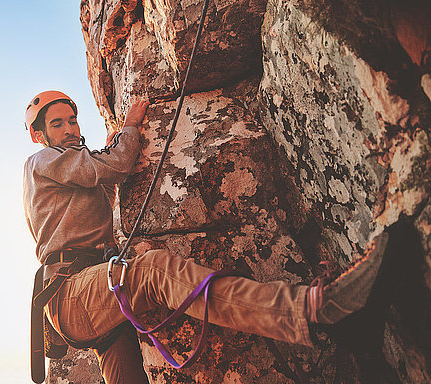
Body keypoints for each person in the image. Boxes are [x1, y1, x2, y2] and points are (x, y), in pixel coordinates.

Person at [22, 90, 388, 383]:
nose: (70, 129)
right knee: (151, 271)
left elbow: (108, 185)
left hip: (88, 297)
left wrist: (113, 145)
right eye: (58, 125)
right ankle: (311, 312)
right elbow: (115, 166)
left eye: (72, 121)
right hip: (73, 293)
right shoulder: (41, 161)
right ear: (40, 135)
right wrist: (129, 131)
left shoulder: (69, 168)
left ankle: (348, 331)